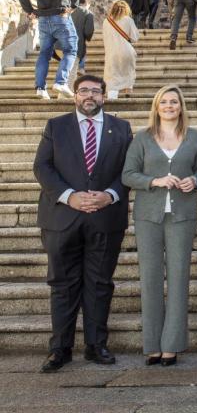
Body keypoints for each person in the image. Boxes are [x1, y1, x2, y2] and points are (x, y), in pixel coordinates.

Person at [34, 74, 133, 372]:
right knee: (62, 285)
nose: (89, 95)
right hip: (62, 218)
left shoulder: (122, 128)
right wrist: (69, 196)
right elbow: (42, 166)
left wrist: (111, 195)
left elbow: (130, 170)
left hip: (105, 218)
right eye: (83, 90)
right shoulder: (56, 126)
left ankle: (96, 345)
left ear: (104, 96)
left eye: (95, 91)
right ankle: (60, 349)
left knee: (100, 283)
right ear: (75, 95)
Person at [121, 85, 197, 366]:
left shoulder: (194, 137)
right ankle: (152, 345)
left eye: (174, 102)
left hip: (181, 215)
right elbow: (127, 174)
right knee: (151, 279)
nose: (169, 106)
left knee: (179, 277)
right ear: (156, 107)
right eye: (164, 102)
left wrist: (194, 180)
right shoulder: (143, 138)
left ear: (181, 107)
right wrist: (154, 181)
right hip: (148, 215)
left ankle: (172, 345)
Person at [16, 0, 80, 99]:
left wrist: (30, 11)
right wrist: (73, 6)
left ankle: (40, 88)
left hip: (43, 20)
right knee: (71, 49)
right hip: (61, 17)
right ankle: (60, 82)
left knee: (44, 54)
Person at [103, 0, 139, 100]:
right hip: (127, 51)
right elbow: (135, 38)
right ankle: (128, 97)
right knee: (128, 74)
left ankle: (112, 100)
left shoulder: (106, 21)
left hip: (112, 53)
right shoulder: (128, 20)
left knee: (112, 78)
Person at [52, 0, 94, 78]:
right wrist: (87, 38)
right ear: (87, 3)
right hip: (73, 47)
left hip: (58, 46)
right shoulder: (88, 13)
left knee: (65, 71)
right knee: (71, 75)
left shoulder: (67, 10)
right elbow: (88, 32)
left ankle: (61, 86)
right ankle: (66, 87)